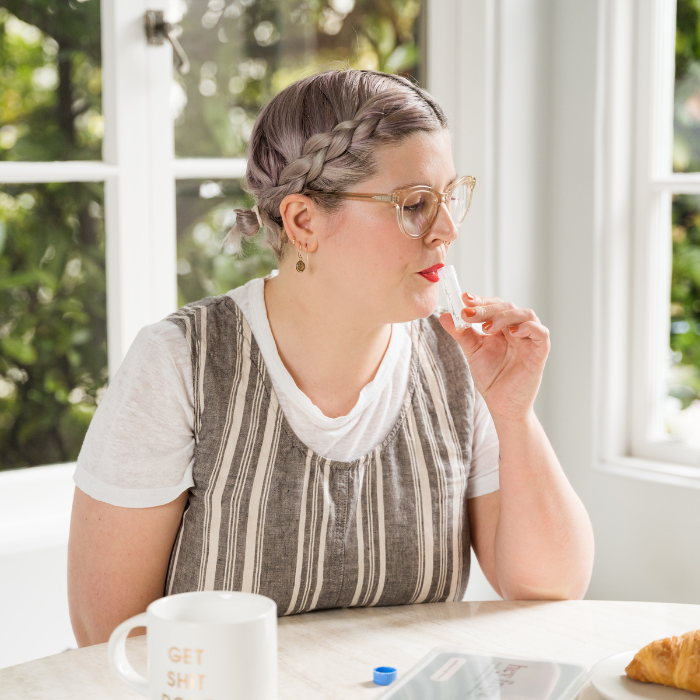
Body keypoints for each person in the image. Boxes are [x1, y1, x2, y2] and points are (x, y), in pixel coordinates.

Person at [67, 68, 594, 647]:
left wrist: (513, 412)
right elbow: (111, 636)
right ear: (303, 221)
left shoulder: (459, 362)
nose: (446, 229)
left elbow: (549, 588)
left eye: (449, 198)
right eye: (415, 204)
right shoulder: (179, 362)